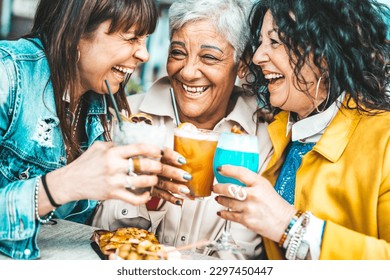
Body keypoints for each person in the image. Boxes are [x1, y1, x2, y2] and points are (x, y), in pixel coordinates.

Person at [0, 0, 187, 260]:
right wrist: (62, 185)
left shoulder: (102, 104)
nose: (144, 54)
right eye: (132, 37)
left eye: (144, 40)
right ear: (76, 33)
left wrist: (136, 186)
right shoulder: (7, 75)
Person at [91, 0, 273, 260]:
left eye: (209, 57)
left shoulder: (262, 141)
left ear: (242, 63)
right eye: (177, 53)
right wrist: (146, 196)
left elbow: (242, 255)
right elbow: (97, 231)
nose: (187, 72)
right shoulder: (126, 119)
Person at [212, 0, 390, 259]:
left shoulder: (384, 140)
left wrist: (290, 226)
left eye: (275, 42)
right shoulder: (276, 130)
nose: (259, 56)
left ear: (326, 53)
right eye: (260, 43)